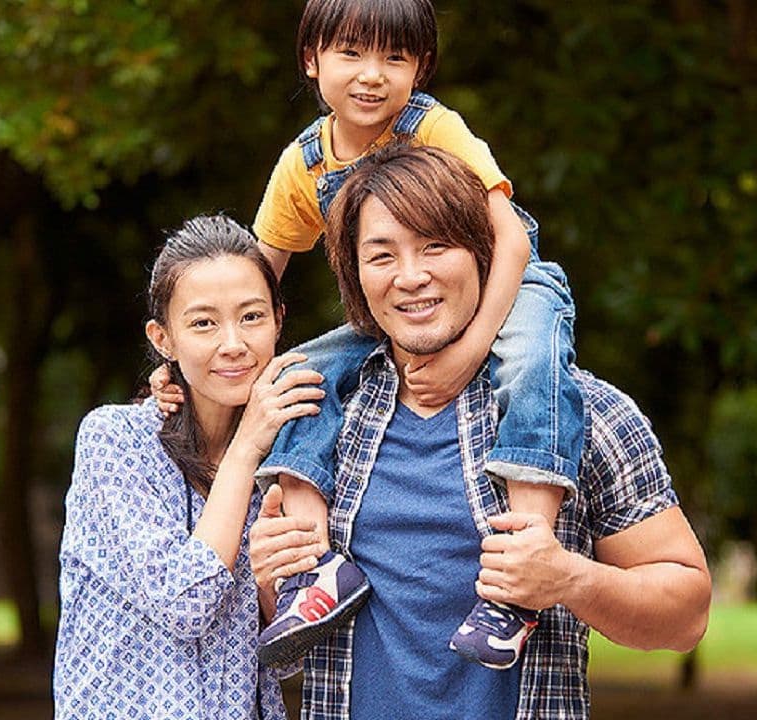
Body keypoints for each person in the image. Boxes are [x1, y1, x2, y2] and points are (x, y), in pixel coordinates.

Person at [155, 0, 582, 670]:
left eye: (395, 57)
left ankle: (520, 575)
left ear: (422, 67)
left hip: (506, 285)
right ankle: (315, 567)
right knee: (293, 372)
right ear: (311, 59)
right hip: (396, 313)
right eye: (351, 53)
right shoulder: (305, 165)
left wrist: (471, 352)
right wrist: (191, 361)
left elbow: (511, 243)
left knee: (533, 361)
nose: (372, 75)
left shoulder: (435, 128)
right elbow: (251, 285)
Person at [249, 144, 711, 720]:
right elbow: (277, 650)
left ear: (485, 255)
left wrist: (568, 578)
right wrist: (271, 582)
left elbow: (687, 613)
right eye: (382, 255)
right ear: (355, 273)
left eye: (435, 246)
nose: (410, 277)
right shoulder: (314, 420)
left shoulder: (579, 412)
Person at [53, 215, 329, 719]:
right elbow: (187, 601)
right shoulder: (115, 441)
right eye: (203, 323)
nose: (233, 343)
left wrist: (271, 586)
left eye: (251, 317)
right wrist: (246, 445)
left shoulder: (291, 460)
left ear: (279, 320)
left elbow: (291, 655)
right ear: (164, 339)